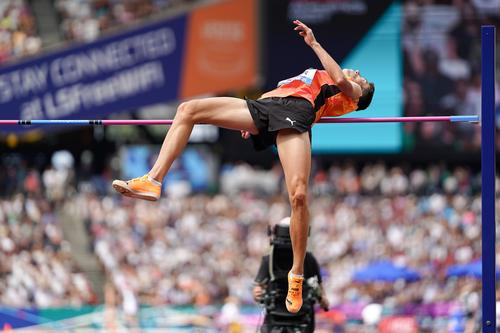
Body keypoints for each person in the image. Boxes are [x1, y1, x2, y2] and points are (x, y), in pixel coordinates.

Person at [112, 19, 375, 313]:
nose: (359, 75)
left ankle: (296, 274)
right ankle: (153, 180)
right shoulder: (316, 76)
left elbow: (341, 80)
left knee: (298, 195)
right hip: (265, 107)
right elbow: (276, 95)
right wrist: (253, 124)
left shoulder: (347, 93)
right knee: (188, 109)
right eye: (360, 76)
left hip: (296, 113)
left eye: (362, 80)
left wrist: (313, 43)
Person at [253, 217, 329, 333]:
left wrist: (258, 292)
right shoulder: (307, 258)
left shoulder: (270, 259)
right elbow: (320, 289)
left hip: (290, 315)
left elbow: (258, 288)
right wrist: (323, 300)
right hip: (297, 314)